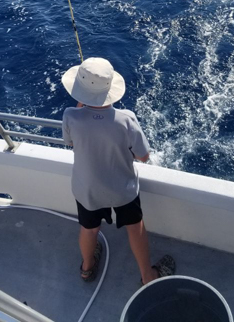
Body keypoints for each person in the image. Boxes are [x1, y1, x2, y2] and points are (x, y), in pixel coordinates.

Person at [61, 57, 175, 285]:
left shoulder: (70, 115)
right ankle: (147, 275)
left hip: (87, 189)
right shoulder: (126, 119)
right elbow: (143, 155)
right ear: (110, 89)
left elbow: (70, 143)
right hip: (122, 189)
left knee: (89, 229)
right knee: (135, 226)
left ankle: (87, 268)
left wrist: (83, 104)